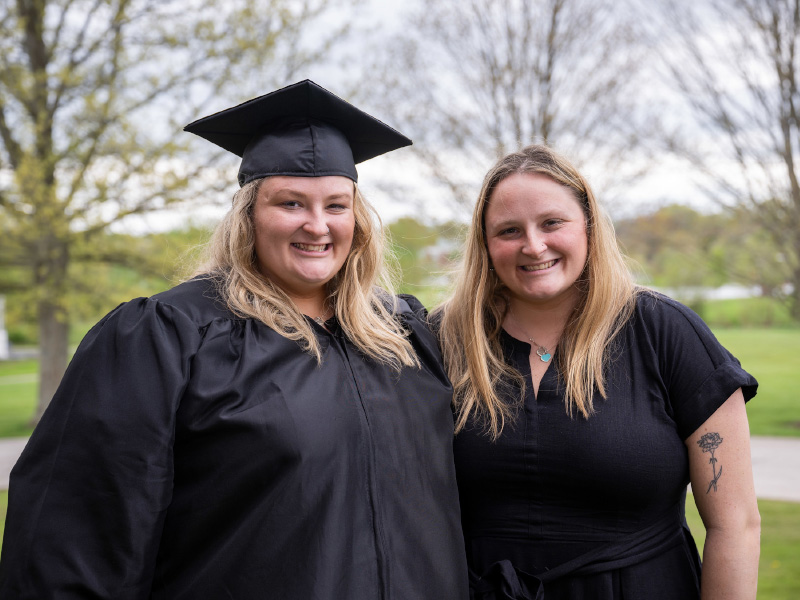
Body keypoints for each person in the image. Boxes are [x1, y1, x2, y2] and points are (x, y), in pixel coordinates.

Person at [0, 80, 469, 599]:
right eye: (291, 203)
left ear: (357, 219)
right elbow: (80, 540)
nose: (317, 225)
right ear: (247, 215)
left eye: (336, 205)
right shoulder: (170, 339)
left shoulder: (402, 334)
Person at [434, 144, 760, 599]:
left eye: (552, 222)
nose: (533, 245)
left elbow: (735, 524)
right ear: (485, 245)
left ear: (587, 224)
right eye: (509, 230)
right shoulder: (442, 341)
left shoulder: (664, 333)